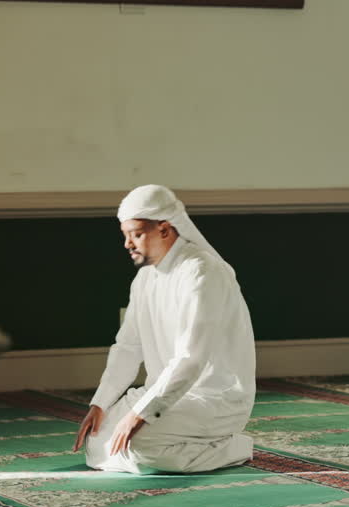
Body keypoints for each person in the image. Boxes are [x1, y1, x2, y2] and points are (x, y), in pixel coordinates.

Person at [73, 184, 256, 473]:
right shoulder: (144, 278)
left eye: (136, 234)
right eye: (125, 235)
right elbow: (128, 347)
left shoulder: (203, 271)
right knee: (96, 442)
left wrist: (142, 414)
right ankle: (176, 448)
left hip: (213, 399)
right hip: (161, 393)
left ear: (165, 229)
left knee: (137, 445)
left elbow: (190, 357)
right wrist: (100, 404)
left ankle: (234, 447)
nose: (127, 244)